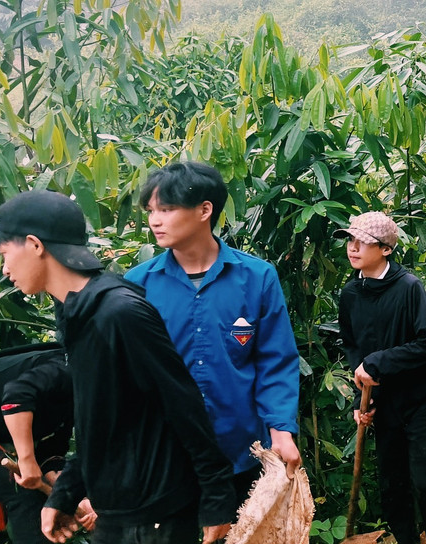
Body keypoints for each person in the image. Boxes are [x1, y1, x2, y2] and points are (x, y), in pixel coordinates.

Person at [0, 190, 235, 544]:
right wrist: (63, 494)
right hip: (115, 505)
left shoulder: (119, 312)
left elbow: (182, 402)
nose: (3, 268)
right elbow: (98, 419)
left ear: (34, 245)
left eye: (4, 253)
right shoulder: (75, 313)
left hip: (156, 503)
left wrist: (216, 496)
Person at [125, 161, 302, 510]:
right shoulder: (137, 285)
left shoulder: (256, 277)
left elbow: (275, 361)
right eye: (151, 211)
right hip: (167, 453)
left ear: (205, 209)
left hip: (243, 450)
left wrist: (281, 430)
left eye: (167, 208)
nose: (155, 220)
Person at [335, 212, 426, 544]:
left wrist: (377, 364)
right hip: (382, 401)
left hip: (420, 399)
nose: (353, 248)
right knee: (390, 483)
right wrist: (361, 401)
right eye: (350, 240)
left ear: (386, 249)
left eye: (363, 242)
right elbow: (354, 351)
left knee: (424, 480)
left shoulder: (408, 288)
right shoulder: (350, 294)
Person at [0, 342, 81, 544]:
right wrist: (27, 460)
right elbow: (15, 396)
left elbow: (53, 449)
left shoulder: (80, 397)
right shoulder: (68, 367)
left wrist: (65, 494)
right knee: (17, 482)